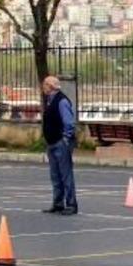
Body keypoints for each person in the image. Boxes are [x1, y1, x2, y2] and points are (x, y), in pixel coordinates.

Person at [41, 76, 78, 216]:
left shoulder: (61, 101)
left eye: (45, 84)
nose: (43, 87)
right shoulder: (50, 101)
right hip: (52, 142)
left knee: (65, 174)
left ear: (50, 86)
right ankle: (58, 203)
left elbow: (69, 123)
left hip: (60, 142)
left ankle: (71, 204)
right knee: (55, 175)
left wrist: (65, 139)